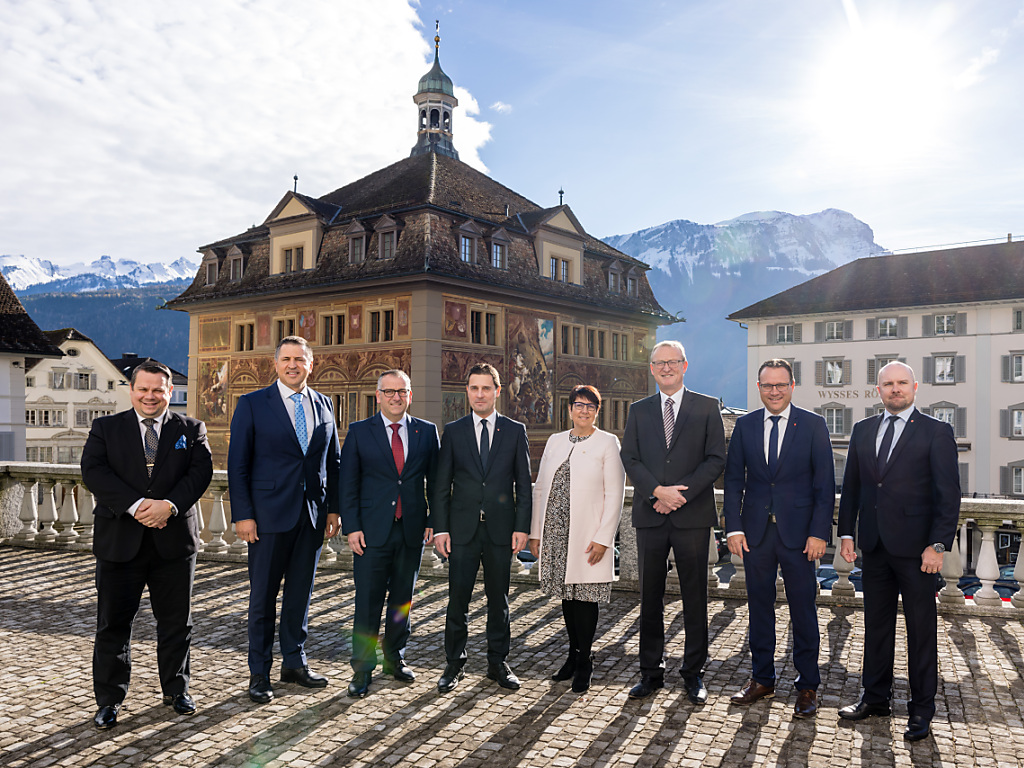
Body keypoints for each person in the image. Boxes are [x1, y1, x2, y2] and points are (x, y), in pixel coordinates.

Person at [81, 359, 213, 730]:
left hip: (174, 542)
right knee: (113, 625)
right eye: (143, 389)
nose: (150, 396)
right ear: (132, 390)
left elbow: (200, 472)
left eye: (158, 390)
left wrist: (168, 506)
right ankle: (109, 700)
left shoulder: (192, 428)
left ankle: (177, 690)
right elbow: (93, 471)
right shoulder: (106, 428)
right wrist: (138, 506)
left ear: (170, 391)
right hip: (120, 541)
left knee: (176, 623)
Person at [837, 361, 960, 741]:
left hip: (918, 552)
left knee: (921, 632)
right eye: (888, 384)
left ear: (915, 387)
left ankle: (921, 709)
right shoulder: (863, 430)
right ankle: (875, 698)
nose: (895, 389)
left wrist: (937, 546)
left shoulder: (936, 431)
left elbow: (948, 496)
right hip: (874, 546)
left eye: (902, 383)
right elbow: (852, 487)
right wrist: (846, 534)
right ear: (878, 390)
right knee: (876, 627)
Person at [228, 336, 342, 704]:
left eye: (300, 359)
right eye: (286, 359)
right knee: (262, 598)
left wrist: (333, 509)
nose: (293, 365)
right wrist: (243, 515)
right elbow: (238, 464)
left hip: (311, 516)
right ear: (275, 364)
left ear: (311, 364)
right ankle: (259, 673)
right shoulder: (252, 404)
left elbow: (333, 462)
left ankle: (294, 663)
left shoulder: (325, 404)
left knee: (299, 597)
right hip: (267, 517)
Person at [723, 358, 835, 718]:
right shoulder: (745, 426)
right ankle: (762, 679)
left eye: (781, 385)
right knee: (759, 608)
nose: (774, 391)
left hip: (800, 536)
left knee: (803, 610)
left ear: (792, 386)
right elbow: (733, 481)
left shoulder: (814, 425)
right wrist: (734, 528)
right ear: (759, 388)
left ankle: (807, 686)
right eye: (768, 385)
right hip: (755, 535)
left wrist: (819, 532)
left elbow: (825, 485)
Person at [620, 340, 726, 703]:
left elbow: (716, 459)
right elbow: (630, 458)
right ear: (651, 369)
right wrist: (656, 492)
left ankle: (693, 674)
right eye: (659, 362)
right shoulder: (639, 410)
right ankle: (650, 672)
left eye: (673, 361)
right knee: (649, 598)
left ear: (684, 365)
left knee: (695, 597)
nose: (666, 367)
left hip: (691, 515)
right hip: (650, 515)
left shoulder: (707, 406)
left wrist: (680, 495)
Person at [431, 362, 532, 693]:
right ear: (467, 392)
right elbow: (441, 486)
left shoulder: (515, 431)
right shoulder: (454, 431)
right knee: (457, 600)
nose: (479, 394)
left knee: (499, 601)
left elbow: (524, 485)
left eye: (486, 388)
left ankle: (498, 663)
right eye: (474, 388)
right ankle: (454, 664)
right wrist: (441, 529)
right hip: (462, 531)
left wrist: (522, 527)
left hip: (501, 531)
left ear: (497, 392)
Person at [340, 369, 440, 698]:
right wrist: (352, 527)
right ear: (378, 395)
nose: (396, 397)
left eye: (402, 391)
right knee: (367, 601)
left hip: (410, 530)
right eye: (389, 391)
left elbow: (437, 483)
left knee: (402, 601)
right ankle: (362, 668)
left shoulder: (426, 432)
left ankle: (394, 657)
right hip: (370, 532)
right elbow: (348, 483)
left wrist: (434, 519)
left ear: (410, 395)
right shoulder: (359, 432)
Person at [528, 385, 625, 694]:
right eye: (579, 405)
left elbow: (615, 494)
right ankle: (572, 655)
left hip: (587, 534)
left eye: (590, 406)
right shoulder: (555, 441)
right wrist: (535, 532)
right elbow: (540, 488)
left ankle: (585, 661)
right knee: (567, 598)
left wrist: (604, 538)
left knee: (585, 597)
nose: (584, 410)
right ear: (569, 409)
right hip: (556, 532)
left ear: (597, 411)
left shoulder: (607, 442)